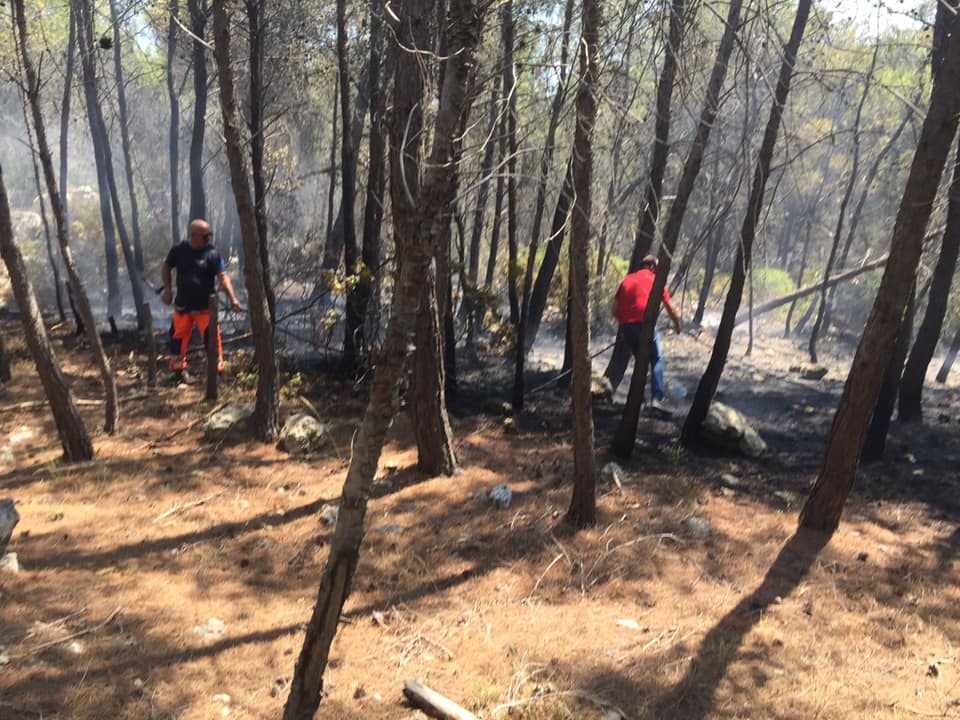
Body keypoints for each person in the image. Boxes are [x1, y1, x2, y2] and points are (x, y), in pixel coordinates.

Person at [161, 218, 242, 375]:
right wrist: (168, 290)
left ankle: (216, 368)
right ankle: (177, 371)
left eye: (209, 235)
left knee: (211, 337)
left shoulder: (212, 253)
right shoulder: (178, 250)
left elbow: (223, 277)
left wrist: (233, 298)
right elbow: (166, 268)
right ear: (193, 235)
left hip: (205, 308)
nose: (208, 239)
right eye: (205, 236)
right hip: (183, 306)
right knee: (178, 337)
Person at [612, 254, 682, 409]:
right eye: (657, 268)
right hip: (644, 325)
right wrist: (677, 324)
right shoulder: (656, 282)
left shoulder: (627, 280)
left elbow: (614, 309)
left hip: (626, 327)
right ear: (652, 267)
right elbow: (670, 307)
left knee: (640, 360)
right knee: (656, 358)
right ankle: (657, 398)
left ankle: (639, 399)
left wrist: (624, 324)